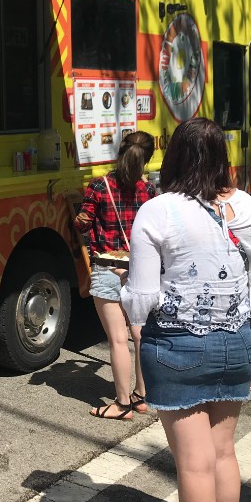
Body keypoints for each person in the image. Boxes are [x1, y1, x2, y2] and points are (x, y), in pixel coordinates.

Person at [121, 118, 251, 502]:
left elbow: (142, 300)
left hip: (180, 347)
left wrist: (124, 291)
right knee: (223, 455)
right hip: (237, 342)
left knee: (193, 465)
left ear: (173, 159)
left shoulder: (156, 211)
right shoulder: (242, 209)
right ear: (221, 161)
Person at [74, 131, 156, 419]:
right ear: (148, 158)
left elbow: (82, 225)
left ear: (119, 152)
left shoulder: (99, 186)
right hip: (140, 270)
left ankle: (121, 405)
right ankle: (142, 397)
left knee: (118, 339)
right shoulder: (149, 192)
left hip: (107, 267)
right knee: (141, 335)